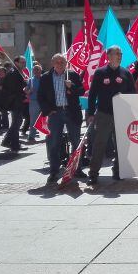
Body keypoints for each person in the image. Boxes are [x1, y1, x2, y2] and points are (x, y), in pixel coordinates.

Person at [86, 46, 135, 184]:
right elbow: (92, 94)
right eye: (116, 54)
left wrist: (124, 97)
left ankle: (118, 171)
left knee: (121, 144)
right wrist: (90, 113)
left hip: (122, 115)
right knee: (99, 144)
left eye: (121, 53)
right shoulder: (100, 73)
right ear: (108, 56)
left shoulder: (126, 73)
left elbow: (133, 94)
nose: (119, 56)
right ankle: (93, 173)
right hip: (104, 114)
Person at [38, 54, 85, 184]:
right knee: (54, 143)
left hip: (71, 112)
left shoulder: (72, 75)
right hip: (55, 113)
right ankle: (54, 171)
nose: (60, 64)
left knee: (76, 142)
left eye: (62, 62)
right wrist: (48, 110)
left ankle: (77, 169)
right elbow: (41, 96)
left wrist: (72, 86)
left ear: (66, 63)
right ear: (53, 63)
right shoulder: (46, 77)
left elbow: (82, 90)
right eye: (57, 62)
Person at [0, 56, 28, 153]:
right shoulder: (13, 73)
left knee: (17, 122)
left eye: (24, 62)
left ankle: (7, 141)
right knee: (17, 122)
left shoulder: (18, 72)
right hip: (14, 101)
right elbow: (13, 89)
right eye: (22, 62)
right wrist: (25, 88)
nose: (24, 64)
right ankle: (14, 145)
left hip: (18, 101)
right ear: (16, 63)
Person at [26, 64, 43, 143]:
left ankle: (51, 135)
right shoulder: (31, 80)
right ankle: (31, 136)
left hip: (44, 101)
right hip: (34, 102)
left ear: (41, 70)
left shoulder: (44, 79)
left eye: (38, 69)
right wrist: (30, 91)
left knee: (48, 119)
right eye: (35, 70)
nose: (36, 71)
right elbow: (26, 91)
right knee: (33, 120)